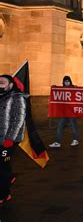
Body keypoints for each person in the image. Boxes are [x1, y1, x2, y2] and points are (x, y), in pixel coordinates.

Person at [0, 75, 27, 204]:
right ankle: (10, 177)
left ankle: (4, 194)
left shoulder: (17, 98)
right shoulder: (1, 97)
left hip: (9, 140)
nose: (0, 85)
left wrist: (9, 139)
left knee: (2, 167)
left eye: (2, 82)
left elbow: (18, 120)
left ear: (10, 84)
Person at [49, 76, 80, 148]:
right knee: (60, 126)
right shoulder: (62, 89)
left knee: (73, 126)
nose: (67, 82)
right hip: (65, 112)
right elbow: (58, 92)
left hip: (72, 112)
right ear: (63, 82)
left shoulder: (74, 88)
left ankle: (75, 140)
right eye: (65, 81)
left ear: (70, 81)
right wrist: (55, 88)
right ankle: (57, 142)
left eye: (68, 81)